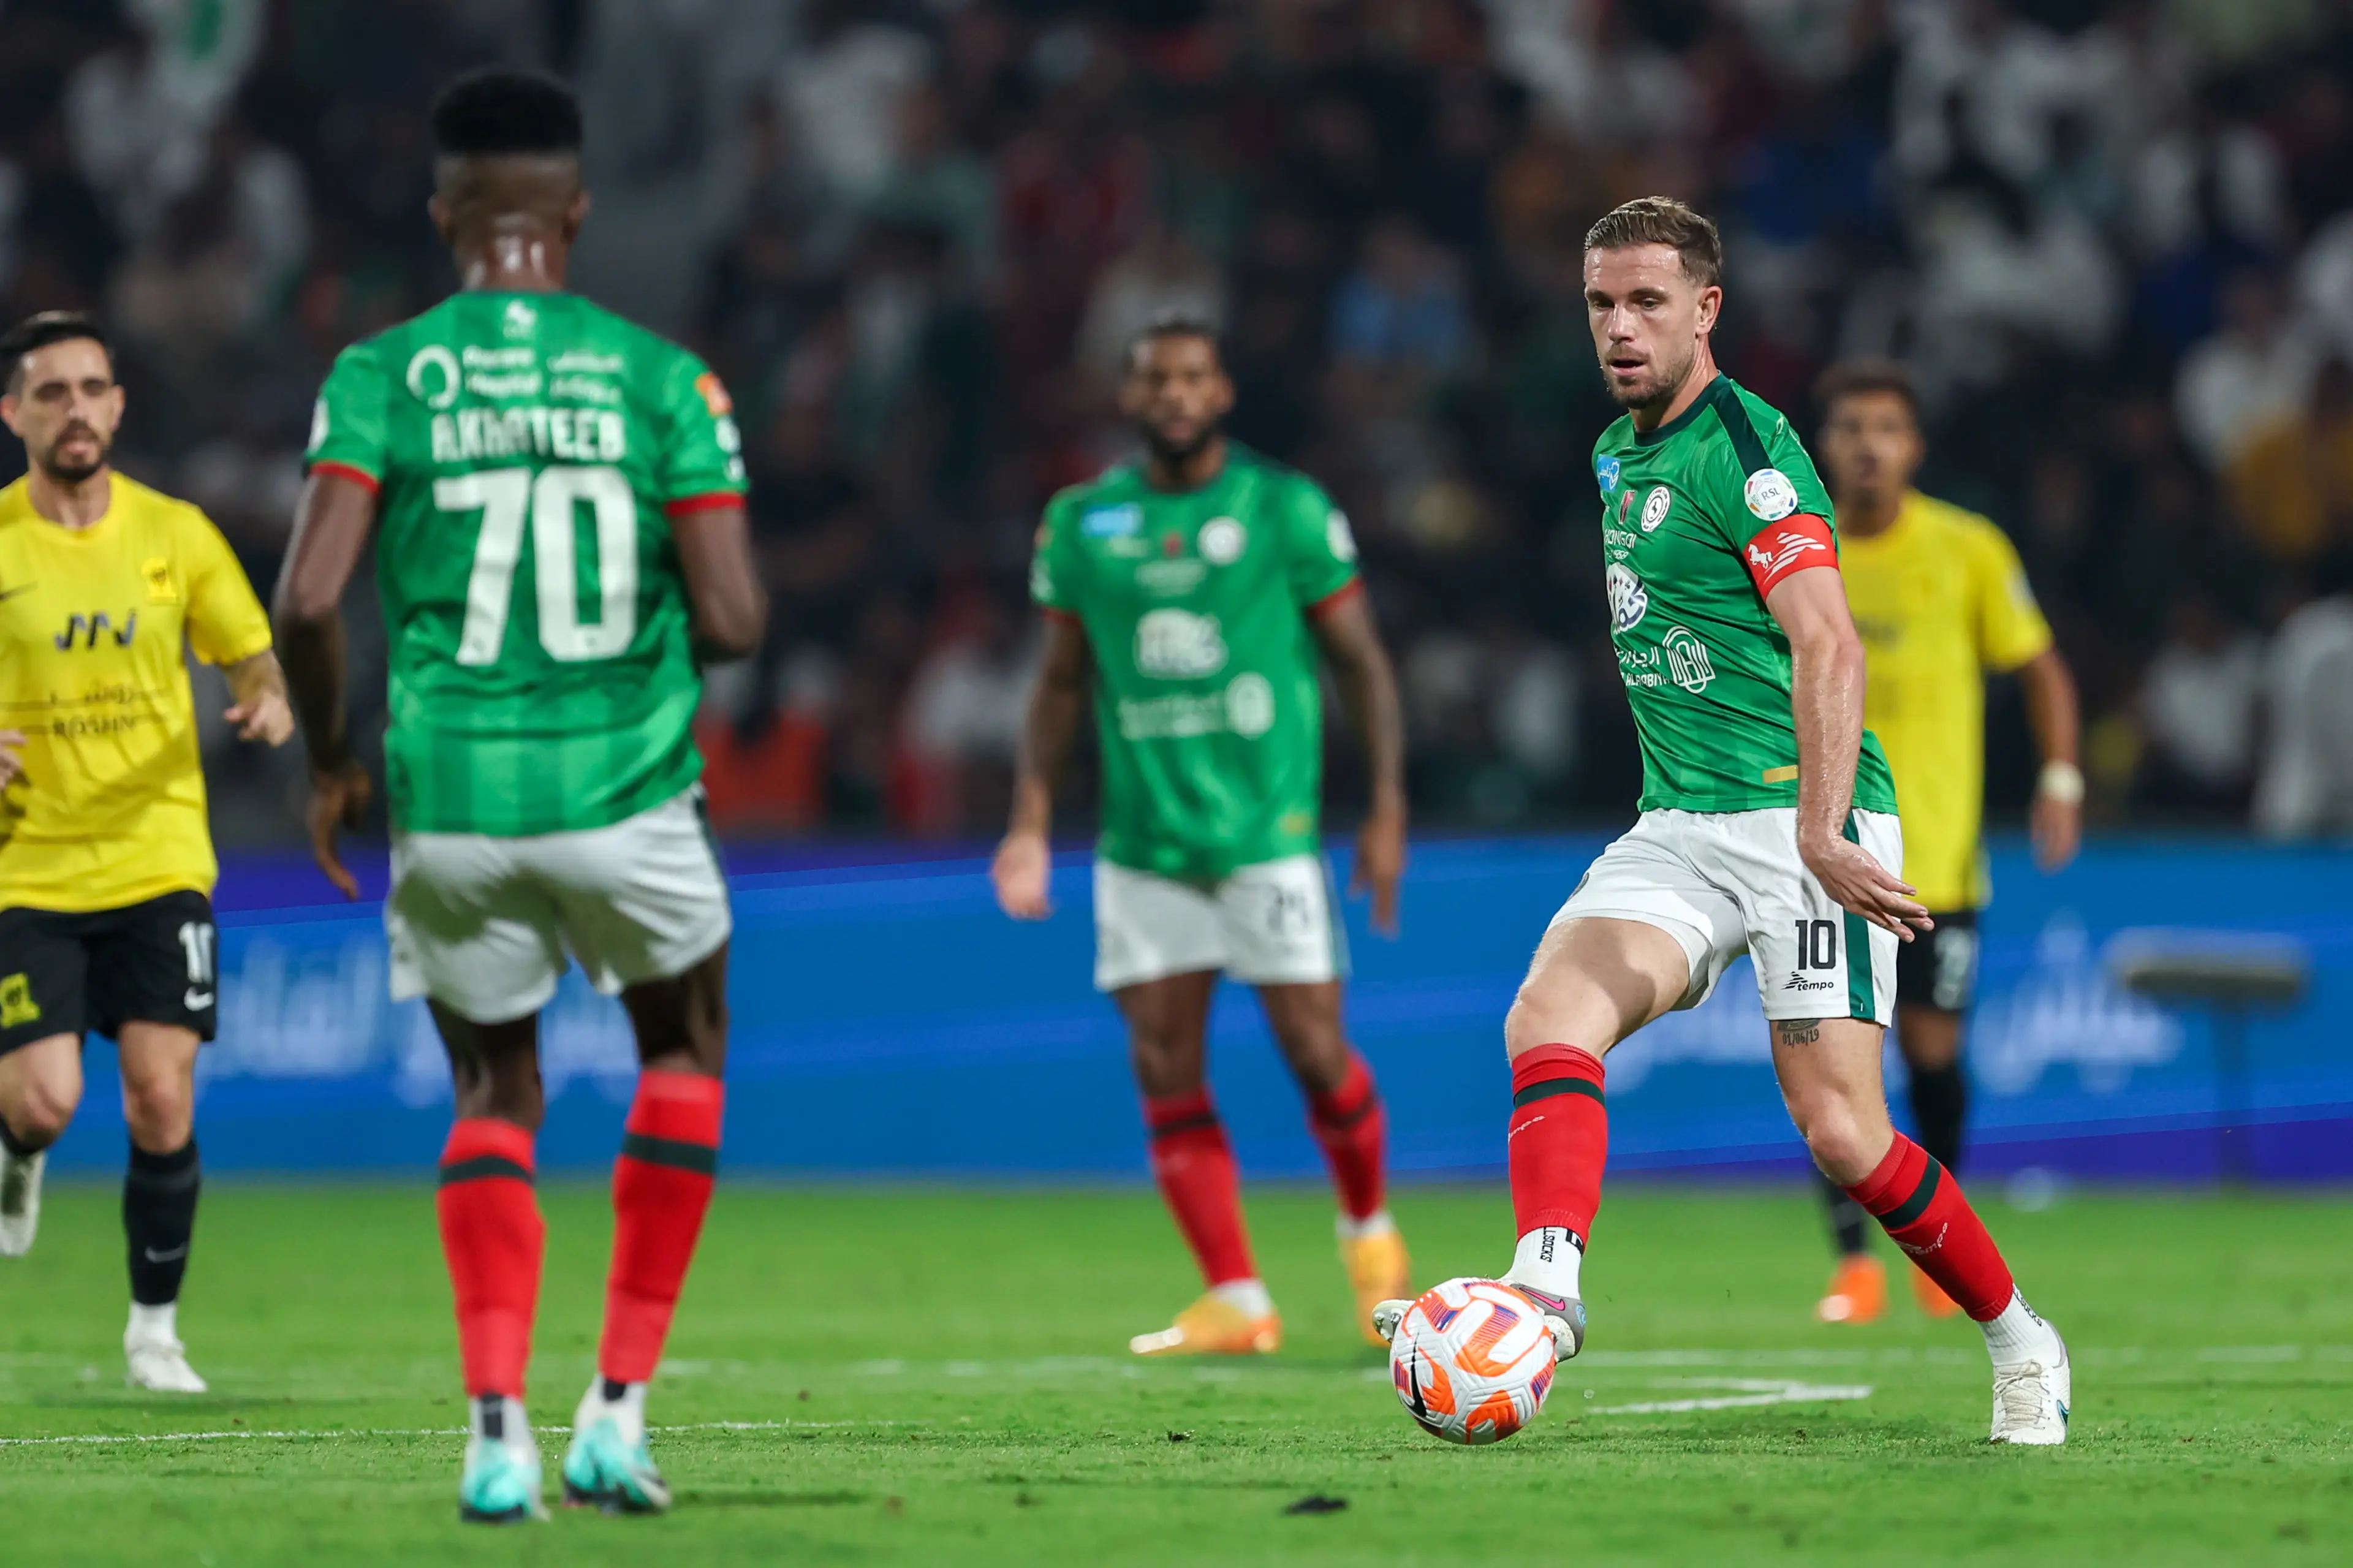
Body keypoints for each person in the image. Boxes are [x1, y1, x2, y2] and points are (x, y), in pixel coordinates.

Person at [1374, 198, 2072, 1445]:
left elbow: (1829, 637)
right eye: (1601, 303)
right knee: (1548, 1014)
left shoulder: (1746, 449)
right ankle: (1546, 1289)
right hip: (1681, 822)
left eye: (1648, 302)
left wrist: (1816, 828)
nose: (1620, 327)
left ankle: (2021, 1338)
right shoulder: (1613, 450)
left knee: (1846, 1133)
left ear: (1707, 309)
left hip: (1803, 818)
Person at [273, 70, 765, 1523]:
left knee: (496, 1087)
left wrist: (330, 757)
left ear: (445, 218)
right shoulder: (663, 378)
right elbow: (733, 621)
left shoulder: (382, 374)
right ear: (575, 211)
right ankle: (614, 1412)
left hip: (454, 797)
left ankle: (495, 1432)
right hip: (627, 785)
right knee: (685, 1051)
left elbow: (306, 598)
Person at [993, 317, 1412, 1358]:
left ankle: (1370, 1239)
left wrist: (1389, 805)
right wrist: (1031, 821)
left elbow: (1360, 661)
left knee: (1316, 1051)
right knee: (1164, 1062)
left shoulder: (1284, 508)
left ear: (1222, 390)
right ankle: (1235, 1295)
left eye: (1192, 377)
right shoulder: (1083, 522)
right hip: (1143, 843)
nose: (1175, 394)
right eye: (1154, 380)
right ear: (1130, 397)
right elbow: (1057, 684)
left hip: (1267, 833)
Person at [0, 310, 292, 1392]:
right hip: (24, 866)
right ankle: (16, 1150)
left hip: (159, 855)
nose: (75, 409)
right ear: (14, 414)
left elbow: (252, 659)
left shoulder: (176, 533)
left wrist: (263, 705)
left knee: (161, 1096)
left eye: (92, 389)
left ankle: (153, 1334)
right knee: (42, 1100)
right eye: (51, 392)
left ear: (118, 405)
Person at [1810, 358, 2082, 1325]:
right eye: (1851, 426)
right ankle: (1854, 1266)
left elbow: (2041, 666)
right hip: (1826, 859)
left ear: (1915, 446)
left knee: (1931, 1059)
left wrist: (2060, 773)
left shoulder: (1967, 548)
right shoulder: (1798, 548)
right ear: (1826, 443)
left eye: (1888, 426)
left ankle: (1935, 1246)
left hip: (1939, 865)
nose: (1869, 444)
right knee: (1836, 1067)